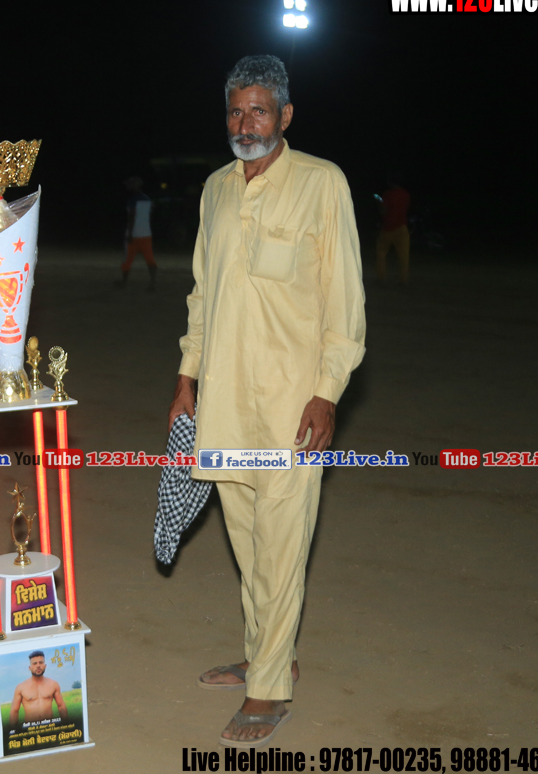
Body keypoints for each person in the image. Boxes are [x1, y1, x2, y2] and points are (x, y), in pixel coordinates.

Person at [167, 56, 365, 747]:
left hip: (290, 406)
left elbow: (345, 300)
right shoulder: (217, 188)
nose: (244, 123)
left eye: (258, 110)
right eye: (235, 110)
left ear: (285, 115)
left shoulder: (321, 182)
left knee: (282, 548)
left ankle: (270, 687)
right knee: (248, 544)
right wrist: (187, 378)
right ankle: (266, 654)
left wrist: (327, 392)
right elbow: (201, 291)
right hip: (224, 402)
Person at [9, 651, 69, 727]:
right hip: (30, 728)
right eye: (35, 663)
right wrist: (12, 729)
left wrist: (66, 725)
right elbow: (14, 711)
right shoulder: (21, 687)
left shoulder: (53, 684)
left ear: (45, 666)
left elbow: (61, 706)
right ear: (30, 668)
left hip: (50, 727)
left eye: (41, 663)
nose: (38, 666)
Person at [119, 175, 157, 290]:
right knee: (150, 260)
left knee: (127, 259)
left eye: (130, 184)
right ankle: (152, 283)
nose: (128, 186)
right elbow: (150, 216)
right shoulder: (147, 199)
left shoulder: (132, 200)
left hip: (134, 234)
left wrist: (130, 233)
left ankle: (124, 282)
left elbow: (131, 218)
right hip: (146, 234)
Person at [375, 173, 411, 284]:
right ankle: (403, 279)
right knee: (403, 256)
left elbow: (383, 211)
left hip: (388, 227)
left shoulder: (388, 194)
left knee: (381, 252)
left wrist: (379, 203)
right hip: (402, 226)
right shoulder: (406, 194)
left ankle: (381, 278)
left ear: (390, 182)